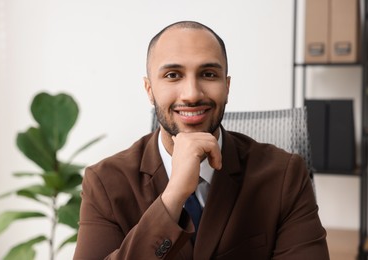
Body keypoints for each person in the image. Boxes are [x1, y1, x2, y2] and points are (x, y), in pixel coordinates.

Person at [73, 21, 329, 259]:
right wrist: (172, 198)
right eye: (173, 75)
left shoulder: (285, 175)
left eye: (208, 74)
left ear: (226, 87)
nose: (192, 94)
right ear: (149, 90)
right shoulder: (105, 182)